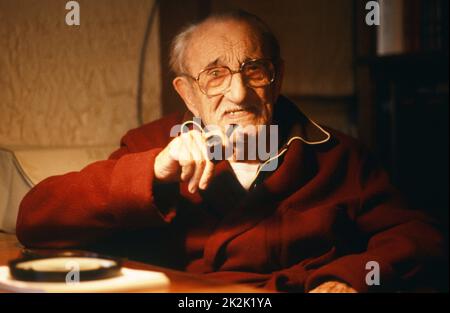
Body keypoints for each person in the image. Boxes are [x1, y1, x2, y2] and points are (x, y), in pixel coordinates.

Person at [16, 11, 445, 292]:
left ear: (276, 80)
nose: (239, 93)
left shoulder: (338, 154)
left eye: (253, 70)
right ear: (187, 93)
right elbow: (35, 221)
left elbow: (421, 237)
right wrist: (152, 170)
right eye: (215, 75)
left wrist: (350, 278)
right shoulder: (151, 146)